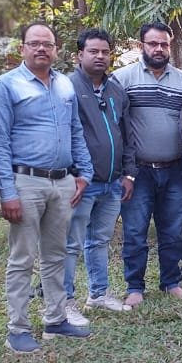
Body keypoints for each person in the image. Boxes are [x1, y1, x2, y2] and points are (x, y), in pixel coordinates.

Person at [0, 22, 95, 354]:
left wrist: (84, 173)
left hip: (62, 182)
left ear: (55, 49)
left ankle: (55, 319)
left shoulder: (64, 85)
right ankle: (17, 329)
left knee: (56, 254)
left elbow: (76, 130)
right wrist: (7, 191)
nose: (41, 49)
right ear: (22, 48)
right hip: (25, 181)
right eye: (34, 43)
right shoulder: (5, 87)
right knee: (22, 258)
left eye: (47, 44)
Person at [112, 21, 182, 307]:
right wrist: (125, 170)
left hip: (175, 170)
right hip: (138, 172)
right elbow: (115, 125)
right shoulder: (122, 78)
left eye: (164, 44)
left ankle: (171, 282)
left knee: (173, 231)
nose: (159, 49)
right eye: (153, 44)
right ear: (141, 46)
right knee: (135, 232)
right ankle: (135, 286)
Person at [63, 28, 137, 318]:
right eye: (93, 51)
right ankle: (65, 303)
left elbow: (126, 134)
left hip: (112, 182)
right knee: (70, 244)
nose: (100, 56)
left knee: (99, 240)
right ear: (79, 54)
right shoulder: (66, 87)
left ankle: (98, 293)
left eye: (105, 52)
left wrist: (128, 174)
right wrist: (73, 173)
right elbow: (63, 135)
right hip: (81, 182)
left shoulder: (116, 90)